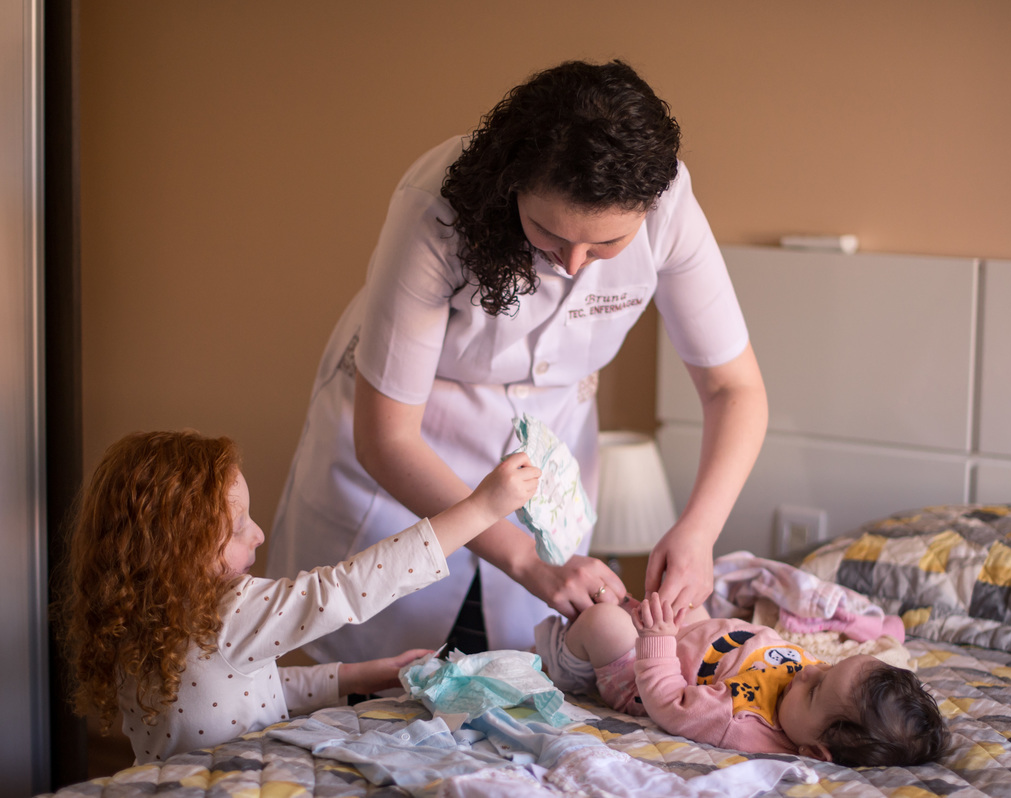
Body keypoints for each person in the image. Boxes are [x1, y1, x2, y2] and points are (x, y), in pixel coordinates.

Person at [266, 58, 768, 662]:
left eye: (606, 244)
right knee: (373, 682)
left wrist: (699, 530)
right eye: (549, 233)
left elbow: (733, 389)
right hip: (404, 475)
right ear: (513, 185)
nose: (573, 264)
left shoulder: (668, 204)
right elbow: (387, 439)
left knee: (525, 670)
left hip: (543, 463)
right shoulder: (436, 208)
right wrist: (527, 561)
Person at [57, 430, 540, 765]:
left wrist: (363, 674)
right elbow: (346, 589)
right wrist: (481, 509)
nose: (258, 534)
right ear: (176, 549)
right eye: (238, 527)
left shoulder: (138, 615)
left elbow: (245, 687)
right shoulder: (227, 611)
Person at [536, 593, 948, 766]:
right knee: (684, 598)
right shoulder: (817, 693)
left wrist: (657, 640)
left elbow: (670, 702)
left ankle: (564, 661)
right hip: (696, 642)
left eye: (817, 688)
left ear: (814, 751)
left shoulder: (740, 720)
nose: (810, 670)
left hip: (645, 676)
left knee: (605, 622)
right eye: (829, 666)